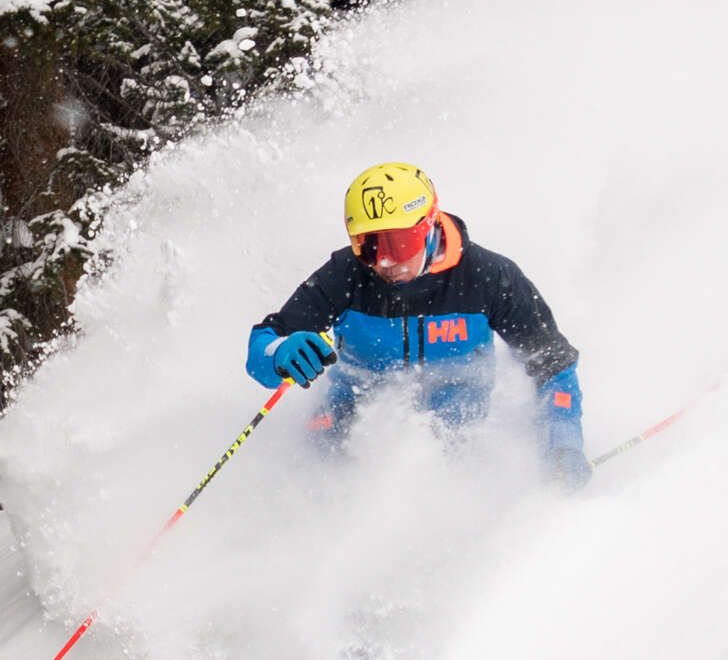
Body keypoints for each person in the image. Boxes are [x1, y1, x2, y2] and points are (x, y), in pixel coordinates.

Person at [245, 162, 591, 490]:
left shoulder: (489, 277)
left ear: (430, 225)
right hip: (348, 425)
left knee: (457, 495)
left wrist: (563, 444)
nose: (384, 260)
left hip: (461, 435)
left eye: (399, 243)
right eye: (368, 245)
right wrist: (279, 353)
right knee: (316, 492)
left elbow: (554, 367)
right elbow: (263, 343)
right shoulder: (346, 274)